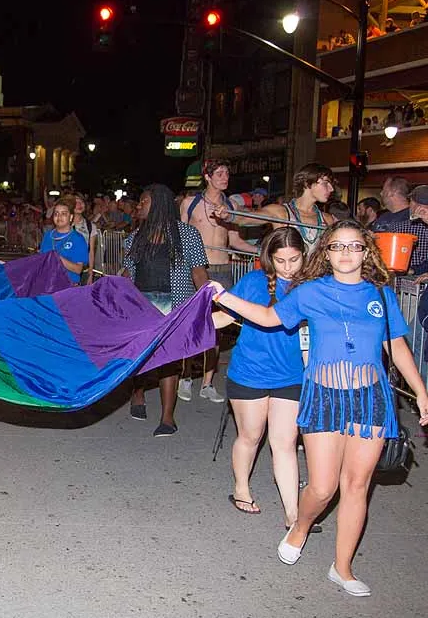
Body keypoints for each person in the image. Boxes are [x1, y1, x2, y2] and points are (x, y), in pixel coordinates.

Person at [212, 220, 428, 596]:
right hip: (325, 396)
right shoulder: (310, 292)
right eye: (337, 246)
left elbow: (396, 344)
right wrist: (223, 296)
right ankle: (300, 526)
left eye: (354, 246)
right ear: (326, 253)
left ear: (367, 251)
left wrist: (420, 392)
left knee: (357, 486)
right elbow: (268, 318)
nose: (346, 253)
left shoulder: (381, 294)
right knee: (323, 487)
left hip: (371, 399)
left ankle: (342, 568)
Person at [212, 227, 320, 533]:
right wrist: (185, 326)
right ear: (269, 259)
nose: (288, 267)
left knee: (285, 443)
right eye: (280, 261)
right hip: (250, 371)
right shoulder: (253, 281)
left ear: (304, 256)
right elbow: (226, 316)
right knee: (250, 436)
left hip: (291, 375)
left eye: (294, 260)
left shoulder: (310, 288)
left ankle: (293, 514)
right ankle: (241, 489)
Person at [123, 183, 210, 437]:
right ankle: (137, 393)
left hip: (175, 304)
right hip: (141, 305)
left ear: (159, 204)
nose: (139, 206)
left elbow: (198, 272)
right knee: (140, 356)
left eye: (144, 201)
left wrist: (207, 302)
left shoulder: (188, 235)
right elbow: (128, 272)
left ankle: (167, 417)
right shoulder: (134, 237)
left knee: (169, 360)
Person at [179, 159, 259, 403]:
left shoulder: (231, 206)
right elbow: (180, 237)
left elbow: (235, 241)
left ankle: (207, 382)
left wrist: (263, 251)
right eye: (220, 173)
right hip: (197, 270)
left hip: (223, 270)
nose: (225, 177)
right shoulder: (190, 203)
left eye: (227, 173)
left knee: (218, 328)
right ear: (207, 176)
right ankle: (185, 377)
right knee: (192, 324)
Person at [217, 162, 337, 254]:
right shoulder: (281, 213)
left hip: (318, 279)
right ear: (307, 183)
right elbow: (246, 219)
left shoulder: (327, 219)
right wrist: (228, 214)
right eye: (325, 183)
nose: (331, 189)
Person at [39, 197, 88, 285]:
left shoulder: (78, 239)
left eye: (63, 214)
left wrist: (57, 258)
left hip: (68, 286)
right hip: (47, 284)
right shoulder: (48, 236)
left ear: (71, 217)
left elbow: (78, 269)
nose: (59, 217)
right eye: (56, 214)